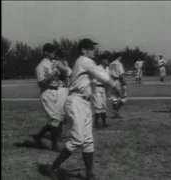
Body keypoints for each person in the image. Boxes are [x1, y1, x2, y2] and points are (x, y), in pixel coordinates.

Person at [49, 38, 121, 180]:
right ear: (83, 50)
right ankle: (53, 168)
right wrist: (114, 84)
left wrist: (64, 68)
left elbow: (72, 73)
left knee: (88, 140)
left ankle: (89, 174)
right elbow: (99, 74)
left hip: (84, 103)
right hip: (76, 102)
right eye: (91, 48)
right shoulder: (84, 61)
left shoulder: (80, 62)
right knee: (77, 140)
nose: (93, 51)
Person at [34, 43, 71, 152]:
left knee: (59, 117)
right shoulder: (41, 65)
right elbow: (41, 82)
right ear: (46, 52)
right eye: (52, 51)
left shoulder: (54, 63)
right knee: (54, 118)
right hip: (47, 93)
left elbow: (64, 75)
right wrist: (53, 73)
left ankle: (41, 136)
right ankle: (54, 145)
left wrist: (62, 70)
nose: (55, 54)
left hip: (57, 91)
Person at [92, 57, 110, 128]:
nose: (107, 61)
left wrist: (108, 91)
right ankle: (96, 123)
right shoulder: (97, 68)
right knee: (98, 105)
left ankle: (104, 122)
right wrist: (93, 91)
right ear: (102, 61)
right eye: (106, 59)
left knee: (103, 105)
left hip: (104, 88)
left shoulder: (107, 69)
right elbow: (94, 80)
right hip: (97, 87)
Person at [109, 53, 127, 118]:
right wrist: (124, 83)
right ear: (119, 57)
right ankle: (116, 110)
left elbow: (110, 73)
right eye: (120, 57)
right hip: (118, 81)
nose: (121, 58)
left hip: (111, 81)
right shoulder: (119, 64)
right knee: (124, 97)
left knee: (114, 98)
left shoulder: (110, 64)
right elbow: (121, 75)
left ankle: (114, 111)